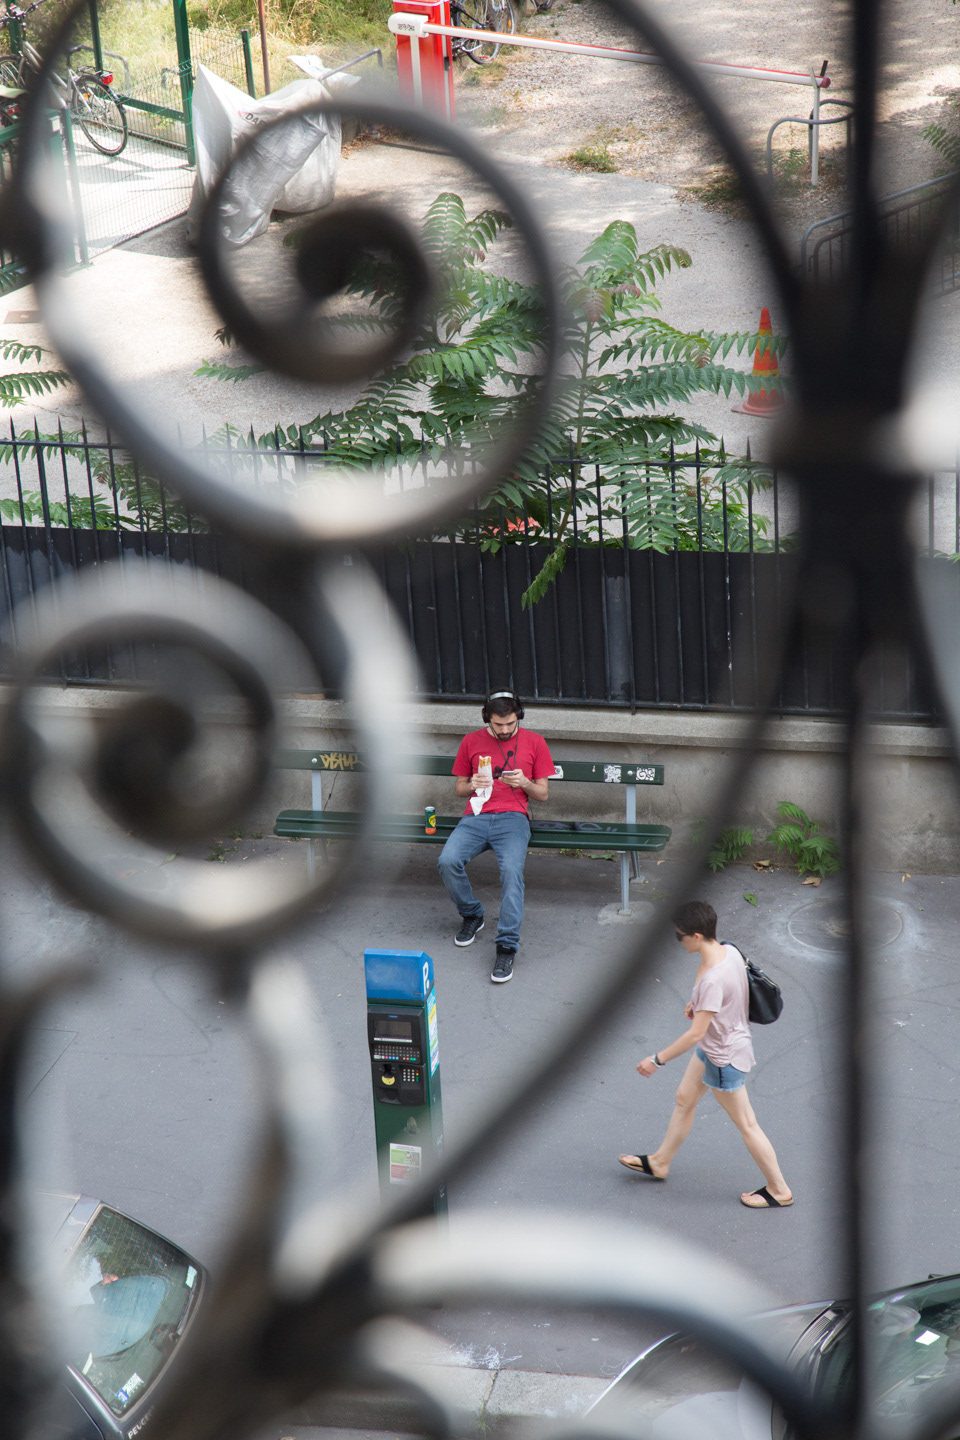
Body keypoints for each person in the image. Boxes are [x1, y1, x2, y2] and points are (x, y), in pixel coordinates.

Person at [618, 899, 793, 1209]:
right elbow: (723, 996)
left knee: (747, 1124)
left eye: (679, 935)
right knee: (685, 1098)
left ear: (696, 936)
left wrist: (656, 1060)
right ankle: (660, 1162)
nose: (678, 940)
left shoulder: (712, 979)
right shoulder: (729, 951)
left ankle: (779, 1189)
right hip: (714, 1047)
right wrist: (698, 1005)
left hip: (723, 1057)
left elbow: (695, 1033)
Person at [437, 690, 554, 985]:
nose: (504, 730)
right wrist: (472, 785)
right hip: (476, 816)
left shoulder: (535, 742)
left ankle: (506, 946)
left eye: (510, 724)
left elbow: (543, 794)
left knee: (512, 872)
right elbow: (459, 788)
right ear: (486, 718)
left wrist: (525, 782)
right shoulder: (471, 741)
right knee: (447, 861)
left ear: (519, 717)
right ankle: (472, 914)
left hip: (513, 818)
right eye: (498, 724)